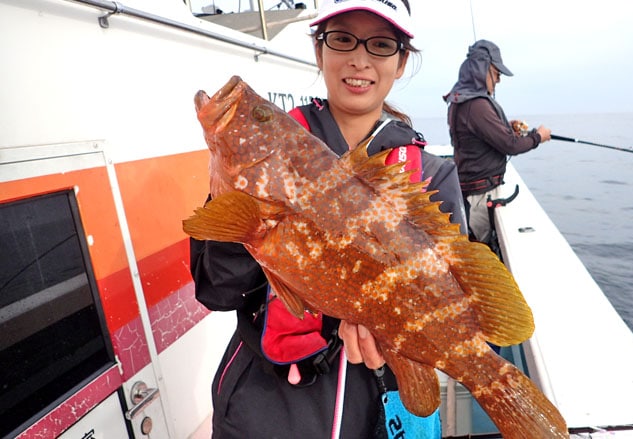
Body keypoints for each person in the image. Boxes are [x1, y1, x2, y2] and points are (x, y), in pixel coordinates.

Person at [190, 0, 467, 437]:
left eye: (380, 44)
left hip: (374, 409)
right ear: (319, 51)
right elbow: (217, 290)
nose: (359, 59)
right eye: (342, 39)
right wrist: (239, 207)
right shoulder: (275, 149)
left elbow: (449, 300)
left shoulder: (433, 177)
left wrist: (400, 349)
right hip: (262, 410)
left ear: (401, 62)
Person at [444, 39, 551, 246]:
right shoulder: (476, 104)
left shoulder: (461, 100)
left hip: (470, 191)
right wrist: (539, 136)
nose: (498, 80)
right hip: (478, 196)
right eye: (497, 74)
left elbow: (475, 136)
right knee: (479, 250)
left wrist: (504, 127)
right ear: (481, 70)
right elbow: (510, 145)